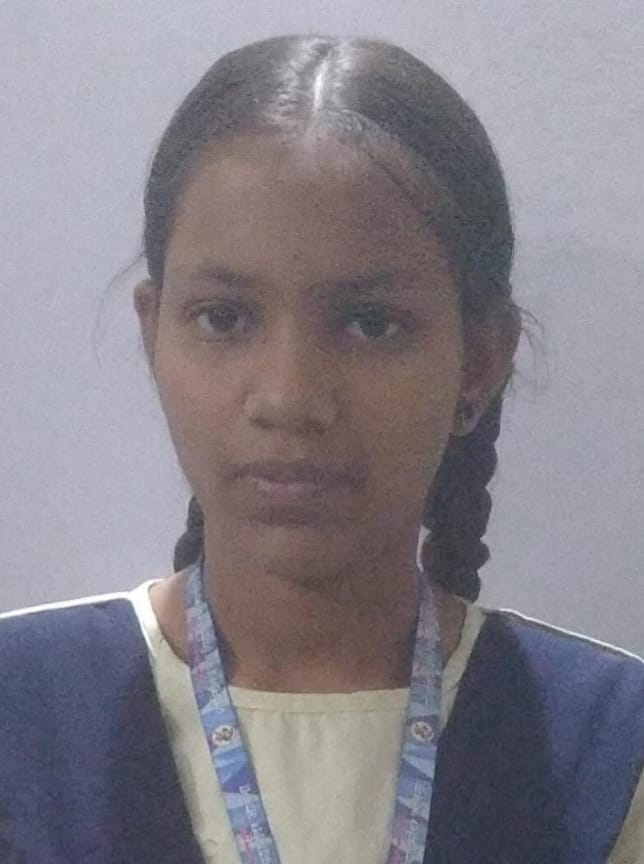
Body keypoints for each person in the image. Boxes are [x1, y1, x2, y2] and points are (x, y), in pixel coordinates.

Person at [1, 34, 642, 864]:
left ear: (480, 362)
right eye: (225, 318)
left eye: (371, 324)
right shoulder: (26, 712)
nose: (289, 398)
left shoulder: (606, 750)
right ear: (154, 334)